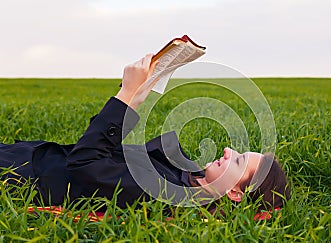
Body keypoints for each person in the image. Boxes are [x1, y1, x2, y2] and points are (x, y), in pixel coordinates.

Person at [0, 54, 290, 213]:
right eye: (238, 153)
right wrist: (138, 96)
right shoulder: (187, 171)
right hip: (30, 153)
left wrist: (126, 95)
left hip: (20, 174)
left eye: (237, 162)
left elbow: (86, 162)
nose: (228, 151)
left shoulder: (167, 195)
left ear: (236, 194)